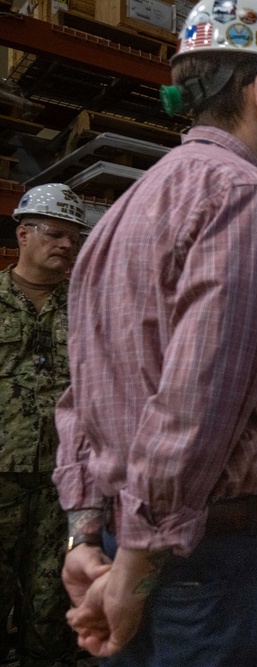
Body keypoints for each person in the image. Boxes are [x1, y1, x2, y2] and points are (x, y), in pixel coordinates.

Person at [52, 0, 257, 661]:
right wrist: (136, 568)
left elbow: (81, 398)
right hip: (219, 563)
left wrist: (86, 539)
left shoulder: (121, 215)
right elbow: (195, 403)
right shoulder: (248, 197)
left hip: (124, 549)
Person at [1, 183, 88, 666]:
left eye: (74, 237)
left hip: (65, 483)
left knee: (53, 607)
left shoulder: (88, 307)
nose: (66, 245)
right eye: (55, 234)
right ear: (23, 234)